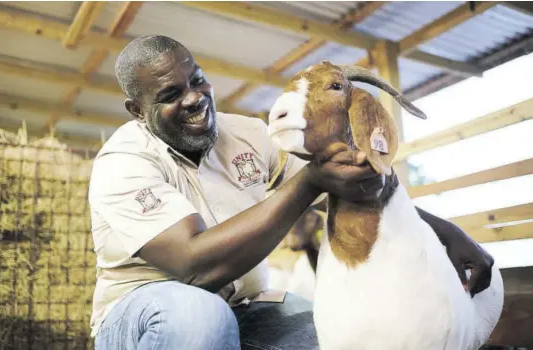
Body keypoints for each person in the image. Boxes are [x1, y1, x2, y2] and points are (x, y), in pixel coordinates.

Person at [88, 35, 495, 350]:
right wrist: (310, 180)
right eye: (170, 95)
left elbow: (343, 184)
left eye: (196, 80)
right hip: (149, 312)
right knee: (198, 316)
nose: (195, 98)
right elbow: (195, 267)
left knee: (332, 333)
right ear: (137, 111)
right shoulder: (123, 162)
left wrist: (449, 233)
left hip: (246, 306)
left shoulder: (245, 133)